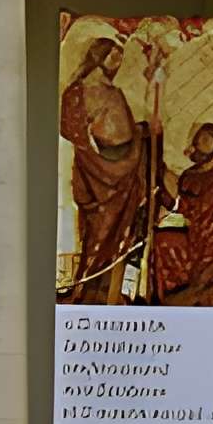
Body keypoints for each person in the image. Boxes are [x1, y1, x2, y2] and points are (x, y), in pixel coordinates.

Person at [58, 32, 161, 303]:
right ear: (98, 55)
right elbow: (72, 130)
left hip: (126, 170)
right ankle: (91, 293)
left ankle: (114, 293)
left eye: (120, 58)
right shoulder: (78, 92)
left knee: (124, 239)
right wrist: (99, 160)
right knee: (99, 237)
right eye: (113, 56)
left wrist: (141, 133)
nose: (117, 63)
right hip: (99, 175)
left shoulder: (114, 92)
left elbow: (126, 130)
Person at [148, 121, 213, 306]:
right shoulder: (189, 176)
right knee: (163, 241)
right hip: (193, 234)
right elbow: (179, 205)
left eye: (205, 144)